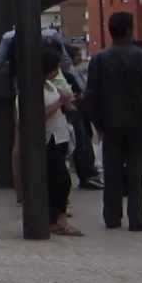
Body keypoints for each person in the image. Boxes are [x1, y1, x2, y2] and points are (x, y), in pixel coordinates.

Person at [83, 12, 142, 232]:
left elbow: (91, 95)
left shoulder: (99, 59)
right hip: (138, 122)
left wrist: (97, 123)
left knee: (111, 170)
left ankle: (112, 216)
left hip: (109, 123)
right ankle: (137, 218)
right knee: (136, 171)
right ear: (129, 29)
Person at [40, 47, 82, 236]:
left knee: (61, 179)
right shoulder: (36, 89)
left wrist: (66, 101)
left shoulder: (50, 85)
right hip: (49, 139)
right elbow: (38, 116)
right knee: (59, 180)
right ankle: (57, 219)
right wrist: (59, 102)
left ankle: (58, 218)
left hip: (60, 137)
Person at [63, 46, 103, 190]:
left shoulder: (74, 72)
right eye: (77, 55)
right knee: (82, 140)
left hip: (81, 110)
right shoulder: (69, 74)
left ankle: (88, 171)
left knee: (83, 139)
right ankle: (87, 173)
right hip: (78, 110)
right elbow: (79, 92)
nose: (80, 58)